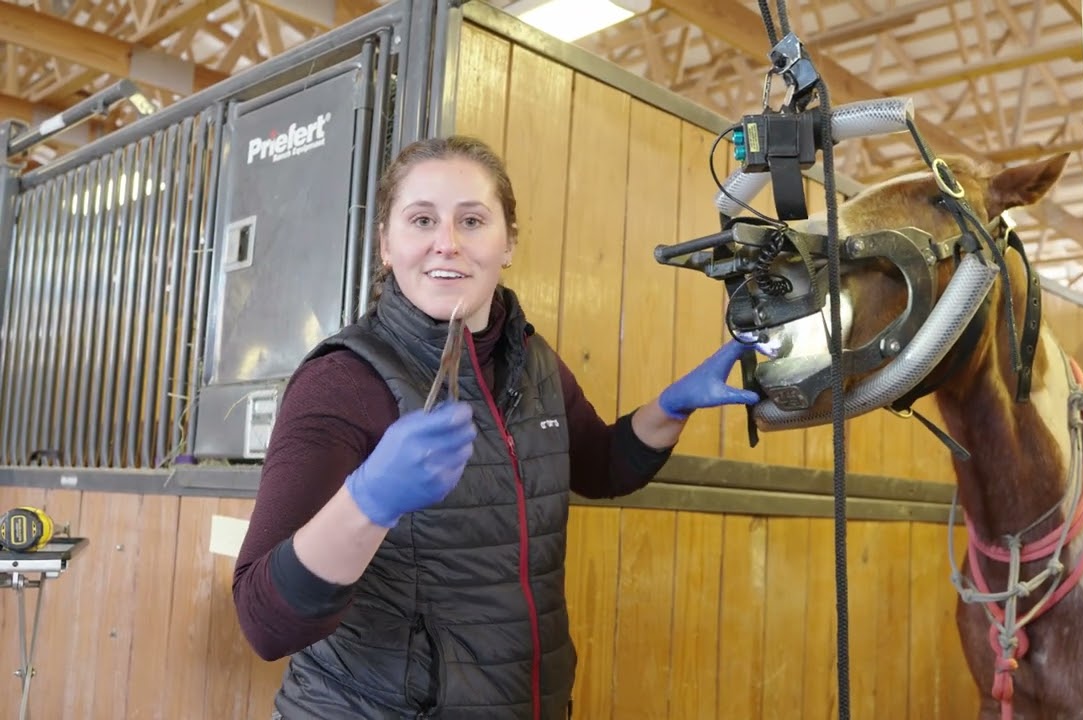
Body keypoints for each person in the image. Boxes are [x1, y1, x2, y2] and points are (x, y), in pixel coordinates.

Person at [231, 134, 759, 719]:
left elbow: (600, 467)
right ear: (386, 244)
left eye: (472, 220)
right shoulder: (341, 381)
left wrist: (672, 407)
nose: (447, 243)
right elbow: (263, 621)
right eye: (422, 220)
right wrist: (368, 502)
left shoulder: (532, 360)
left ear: (508, 242)